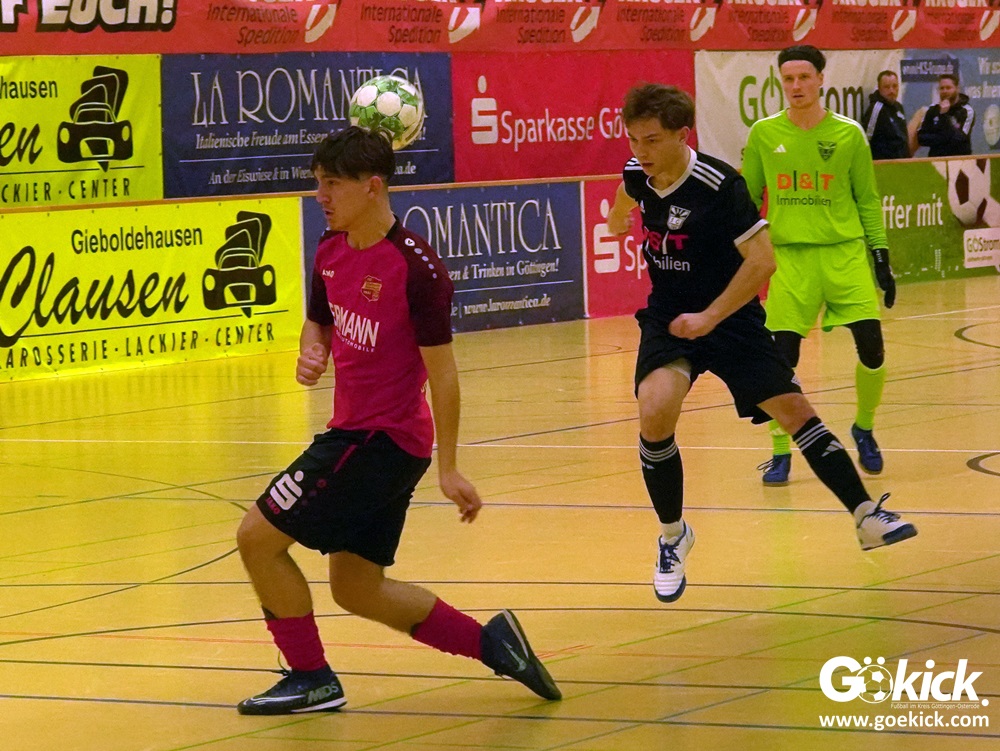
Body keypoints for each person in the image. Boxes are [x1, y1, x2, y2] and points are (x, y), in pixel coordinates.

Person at [235, 127, 561, 715]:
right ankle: (494, 645)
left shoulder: (416, 269)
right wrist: (312, 349)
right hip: (365, 437)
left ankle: (311, 678)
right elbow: (319, 321)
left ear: (372, 186)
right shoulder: (330, 250)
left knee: (256, 539)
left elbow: (444, 374)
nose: (320, 196)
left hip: (379, 440)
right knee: (356, 588)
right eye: (318, 183)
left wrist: (450, 468)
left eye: (332, 184)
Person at [606, 84, 917, 604]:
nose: (641, 151)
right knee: (654, 410)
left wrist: (710, 317)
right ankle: (673, 537)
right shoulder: (638, 171)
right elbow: (626, 194)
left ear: (683, 135)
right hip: (669, 317)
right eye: (633, 139)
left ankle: (866, 516)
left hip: (730, 318)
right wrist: (618, 219)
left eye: (652, 140)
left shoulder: (720, 185)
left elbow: (763, 261)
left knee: (795, 411)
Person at [741, 45, 896, 486]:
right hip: (791, 259)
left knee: (872, 348)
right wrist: (744, 256)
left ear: (821, 79)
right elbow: (748, 199)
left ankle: (864, 427)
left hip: (844, 254)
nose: (796, 86)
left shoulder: (848, 134)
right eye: (788, 79)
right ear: (780, 82)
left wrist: (880, 256)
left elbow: (867, 199)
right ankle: (779, 450)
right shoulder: (764, 134)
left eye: (804, 77)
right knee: (780, 359)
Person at [917, 73, 975, 157]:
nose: (944, 91)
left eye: (948, 88)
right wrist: (944, 137)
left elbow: (960, 139)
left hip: (959, 159)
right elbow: (921, 138)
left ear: (957, 88)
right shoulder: (932, 109)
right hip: (936, 159)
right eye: (942, 88)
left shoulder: (966, 110)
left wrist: (944, 115)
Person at [860, 70, 912, 160]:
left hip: (901, 163)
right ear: (879, 88)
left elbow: (904, 140)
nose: (891, 91)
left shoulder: (898, 107)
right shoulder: (876, 109)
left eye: (894, 86)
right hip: (883, 163)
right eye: (887, 87)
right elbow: (866, 140)